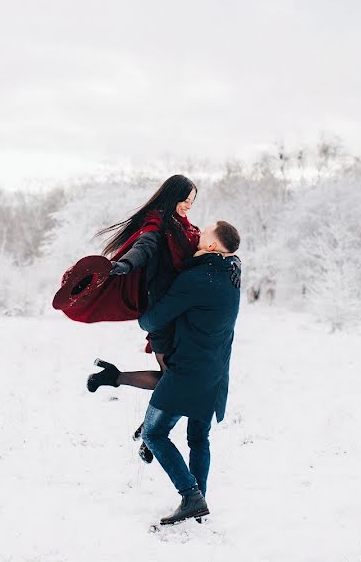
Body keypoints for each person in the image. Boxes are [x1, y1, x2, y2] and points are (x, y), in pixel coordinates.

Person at [95, 221, 242, 525]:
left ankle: (190, 496)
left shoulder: (197, 277)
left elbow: (151, 321)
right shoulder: (232, 272)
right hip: (216, 370)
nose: (200, 233)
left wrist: (140, 304)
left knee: (154, 433)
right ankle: (198, 501)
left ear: (213, 246)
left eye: (207, 232)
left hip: (188, 370)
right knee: (199, 438)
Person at [84, 175, 201, 461]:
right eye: (185, 199)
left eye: (192, 201)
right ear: (172, 195)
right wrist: (124, 264)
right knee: (175, 380)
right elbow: (144, 246)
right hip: (161, 312)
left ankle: (116, 380)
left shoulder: (184, 227)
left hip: (181, 313)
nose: (188, 205)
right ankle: (151, 434)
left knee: (173, 379)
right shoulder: (158, 221)